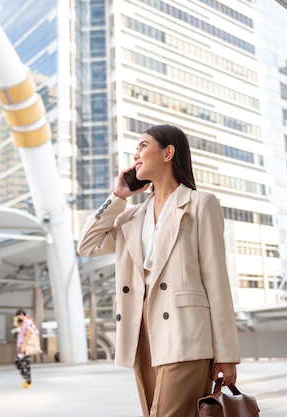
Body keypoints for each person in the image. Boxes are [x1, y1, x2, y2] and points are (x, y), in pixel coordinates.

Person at [78, 124, 240, 417]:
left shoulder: (200, 204)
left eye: (142, 146)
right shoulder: (132, 216)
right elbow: (87, 245)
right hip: (141, 331)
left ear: (168, 153)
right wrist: (118, 197)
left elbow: (216, 281)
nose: (135, 154)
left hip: (187, 332)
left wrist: (226, 355)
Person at [14, 308, 40, 389]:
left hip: (26, 346)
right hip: (23, 346)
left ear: (21, 314)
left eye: (18, 316)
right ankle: (28, 381)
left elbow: (28, 334)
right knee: (25, 363)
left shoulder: (27, 322)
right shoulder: (24, 322)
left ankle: (28, 381)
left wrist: (24, 346)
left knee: (19, 361)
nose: (18, 318)